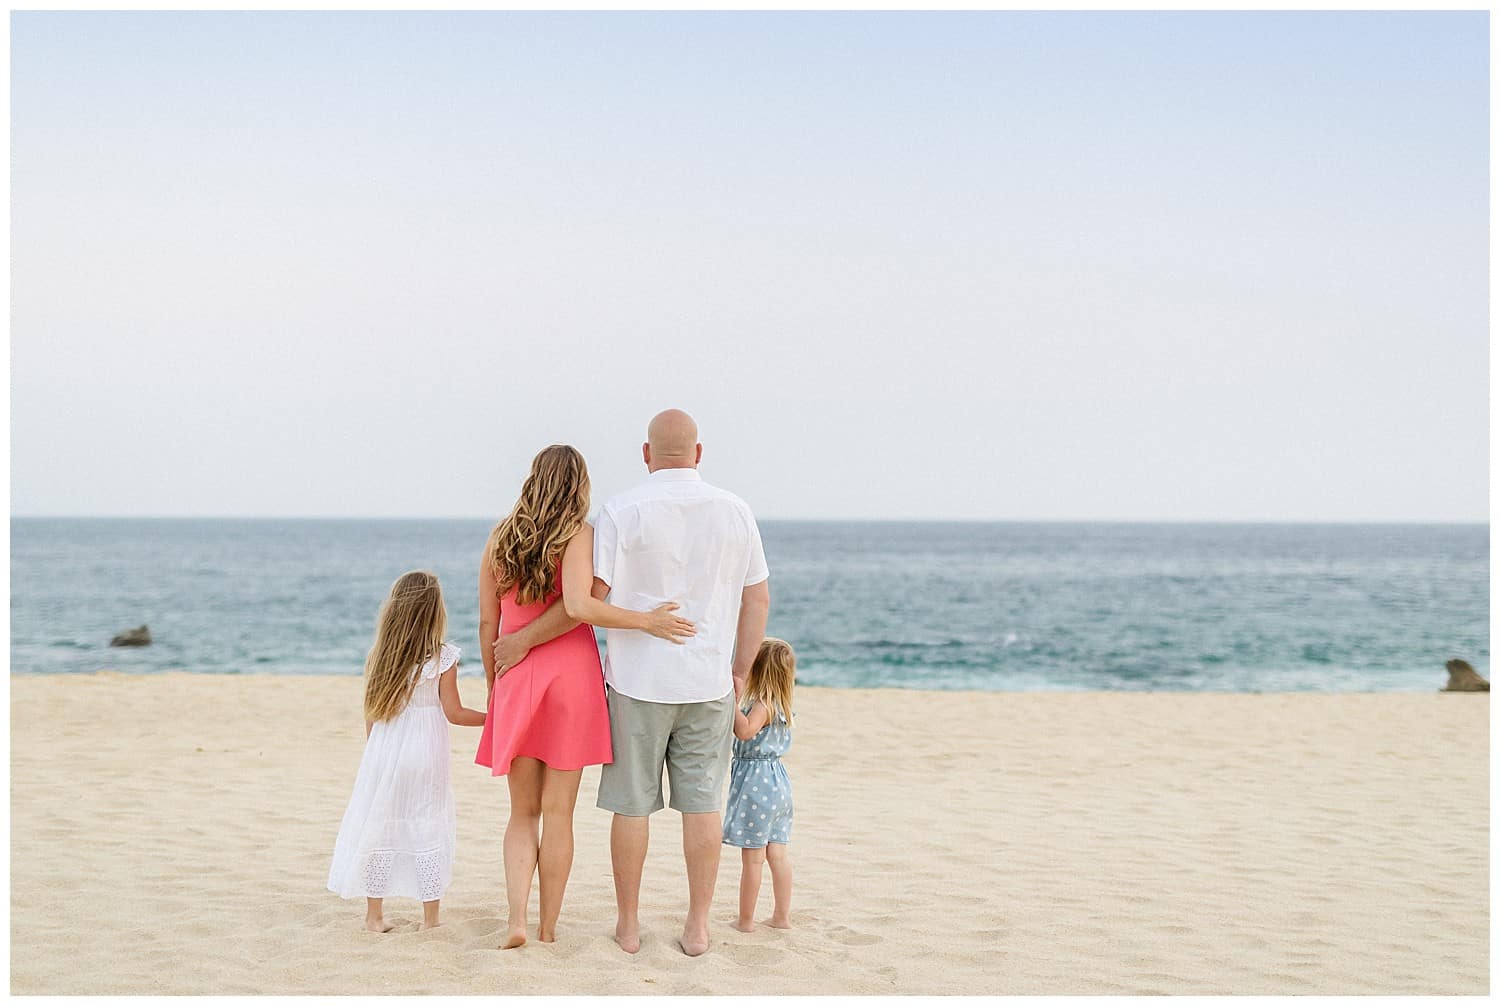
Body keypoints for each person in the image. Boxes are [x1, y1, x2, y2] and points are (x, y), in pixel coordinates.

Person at [476, 444, 696, 949]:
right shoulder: (578, 534)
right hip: (571, 681)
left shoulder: (500, 537)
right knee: (559, 814)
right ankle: (548, 928)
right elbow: (579, 606)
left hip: (515, 675)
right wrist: (646, 621)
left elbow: (489, 622)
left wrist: (495, 684)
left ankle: (516, 920)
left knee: (521, 813)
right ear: (579, 485)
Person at [327, 571, 486, 933]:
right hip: (426, 752)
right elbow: (455, 713)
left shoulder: (380, 656)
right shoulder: (443, 658)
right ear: (435, 611)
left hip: (384, 751)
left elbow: (371, 713)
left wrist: (376, 753)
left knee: (381, 825)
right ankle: (430, 919)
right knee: (427, 824)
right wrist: (493, 720)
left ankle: (374, 916)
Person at [724, 638, 796, 933]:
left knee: (753, 859)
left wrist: (729, 701)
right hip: (778, 782)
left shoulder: (763, 705)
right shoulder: (782, 704)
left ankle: (745, 921)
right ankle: (781, 916)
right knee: (777, 855)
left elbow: (745, 731)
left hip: (757, 784)